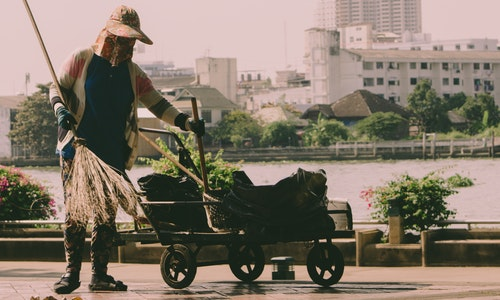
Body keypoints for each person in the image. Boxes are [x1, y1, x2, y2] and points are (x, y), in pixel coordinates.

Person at [49, 5, 204, 294]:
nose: (127, 45)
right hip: (78, 150)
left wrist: (186, 122)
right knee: (75, 212)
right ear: (108, 36)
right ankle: (71, 273)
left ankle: (100, 275)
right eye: (123, 39)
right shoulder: (81, 59)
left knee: (106, 215)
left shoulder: (133, 73)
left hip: (112, 153)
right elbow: (57, 88)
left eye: (131, 40)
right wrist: (60, 110)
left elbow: (157, 104)